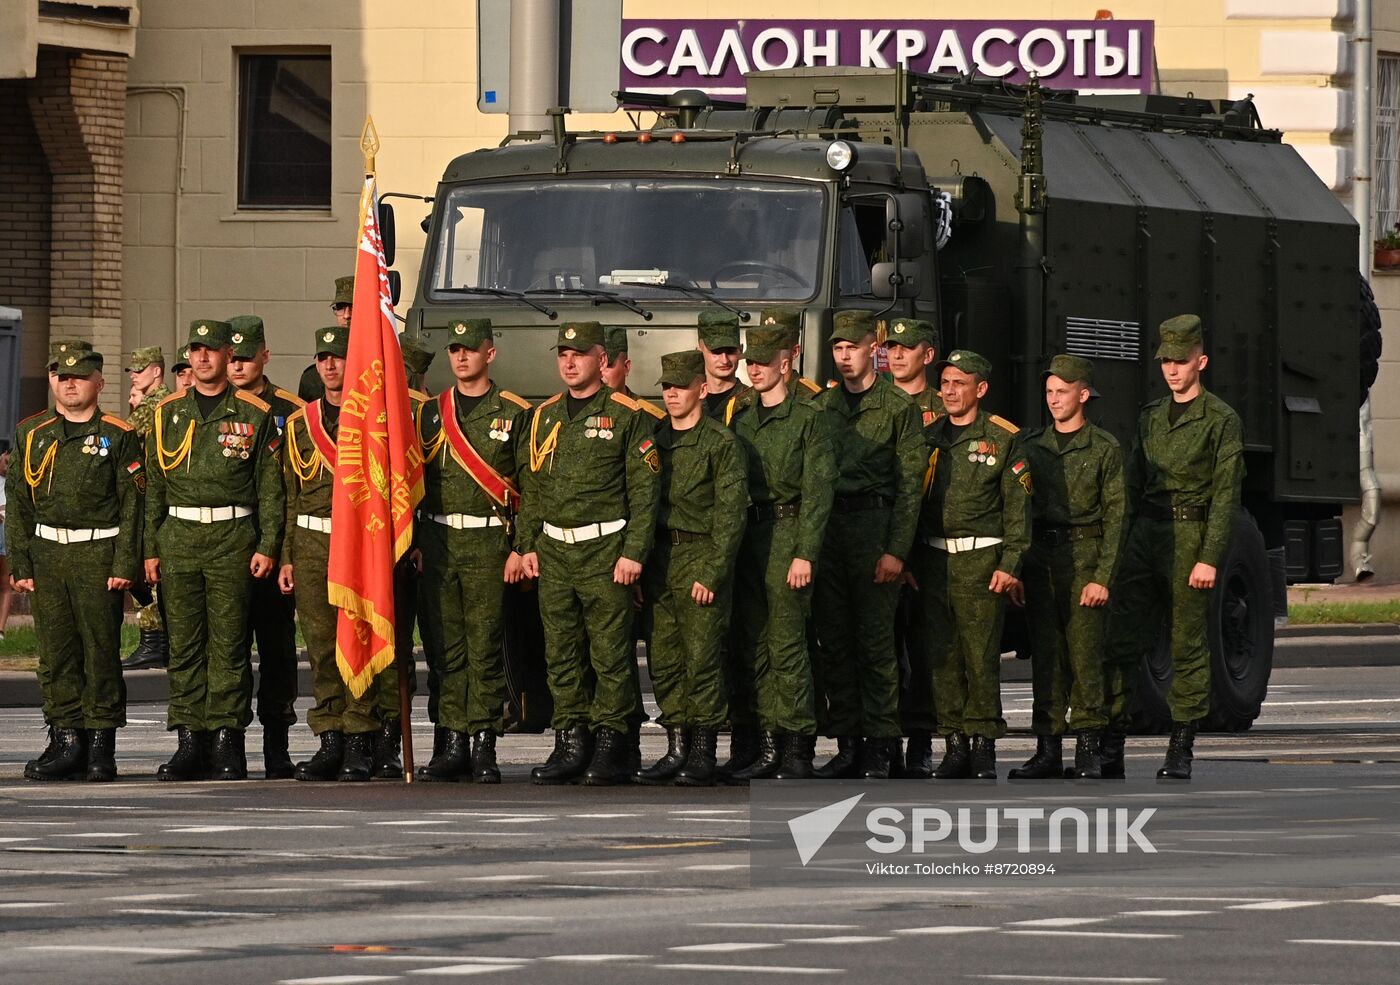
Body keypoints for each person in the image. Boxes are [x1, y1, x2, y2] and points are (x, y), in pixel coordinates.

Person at [514, 321, 659, 786]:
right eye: (563, 354)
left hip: (605, 550)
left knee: (610, 654)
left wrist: (634, 552)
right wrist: (526, 544)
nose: (570, 362)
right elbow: (532, 487)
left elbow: (644, 491)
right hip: (554, 550)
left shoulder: (627, 414)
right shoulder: (544, 415)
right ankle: (571, 742)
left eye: (580, 354)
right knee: (561, 652)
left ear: (602, 360)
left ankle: (614, 745)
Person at [1102, 315, 1244, 780]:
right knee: (1122, 640)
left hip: (1190, 534)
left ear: (1200, 362)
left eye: (1180, 362)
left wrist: (1208, 556)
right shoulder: (1149, 418)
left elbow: (1225, 495)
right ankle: (1111, 742)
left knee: (1188, 644)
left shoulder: (1221, 420)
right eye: (1166, 361)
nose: (1172, 370)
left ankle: (1181, 745)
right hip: (1147, 534)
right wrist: (1119, 553)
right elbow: (1132, 487)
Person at [144, 319, 285, 781]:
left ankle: (227, 740)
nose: (203, 359)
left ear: (229, 356)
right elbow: (154, 490)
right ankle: (190, 739)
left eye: (211, 351)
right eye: (195, 351)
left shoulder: (254, 413)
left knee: (228, 647)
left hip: (233, 538)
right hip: (179, 538)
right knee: (184, 647)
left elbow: (270, 489)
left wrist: (267, 544)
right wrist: (150, 548)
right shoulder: (167, 413)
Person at [5, 349, 143, 781]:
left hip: (98, 554)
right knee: (56, 652)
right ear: (52, 381)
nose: (70, 384)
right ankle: (65, 739)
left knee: (100, 650)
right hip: (48, 553)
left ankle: (101, 744)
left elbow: (131, 505)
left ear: (99, 384)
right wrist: (22, 561)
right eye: (62, 376)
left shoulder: (118, 435)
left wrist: (125, 563)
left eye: (80, 377)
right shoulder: (32, 433)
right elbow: (21, 505)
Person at [414, 318, 531, 782]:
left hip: (488, 542)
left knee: (484, 649)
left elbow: (530, 486)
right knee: (444, 648)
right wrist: (417, 543)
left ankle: (484, 743)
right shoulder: (430, 412)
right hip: (438, 543)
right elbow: (413, 485)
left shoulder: (513, 411)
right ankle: (450, 742)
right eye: (455, 350)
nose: (461, 357)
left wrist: (520, 547)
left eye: (470, 349)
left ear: (490, 354)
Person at [811, 310, 926, 780]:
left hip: (875, 527)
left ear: (872, 352)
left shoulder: (899, 409)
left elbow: (910, 486)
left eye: (851, 348)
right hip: (832, 532)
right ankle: (848, 742)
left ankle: (882, 744)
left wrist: (896, 551)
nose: (843, 357)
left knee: (877, 646)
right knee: (835, 643)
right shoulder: (824, 408)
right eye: (837, 349)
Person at [726, 325, 836, 782]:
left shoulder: (809, 418)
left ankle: (797, 747)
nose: (753, 369)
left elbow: (818, 491)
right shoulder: (743, 418)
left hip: (790, 534)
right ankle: (769, 744)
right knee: (756, 646)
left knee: (788, 646)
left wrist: (805, 553)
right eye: (749, 362)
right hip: (752, 538)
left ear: (785, 365)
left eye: (763, 362)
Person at [914, 349, 1031, 780]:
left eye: (958, 383)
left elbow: (1018, 509)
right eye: (944, 382)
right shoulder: (928, 438)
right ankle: (954, 744)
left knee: (980, 658)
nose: (948, 390)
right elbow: (913, 503)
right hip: (933, 559)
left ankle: (983, 745)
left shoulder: (1002, 438)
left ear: (980, 389)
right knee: (941, 658)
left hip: (982, 560)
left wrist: (1011, 563)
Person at [635, 350, 748, 786]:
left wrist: (714, 573)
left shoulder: (721, 444)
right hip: (662, 559)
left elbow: (730, 516)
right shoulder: (653, 441)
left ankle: (702, 751)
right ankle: (676, 746)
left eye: (681, 387)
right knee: (663, 659)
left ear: (702, 389)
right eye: (666, 387)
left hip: (702, 556)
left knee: (702, 660)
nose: (672, 395)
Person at [1010, 355, 1125, 781]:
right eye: (1050, 392)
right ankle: (1048, 748)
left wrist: (1102, 577)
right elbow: (1019, 512)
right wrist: (1019, 567)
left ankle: (1090, 748)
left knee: (1086, 657)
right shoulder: (1033, 447)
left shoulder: (1104, 448)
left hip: (1086, 557)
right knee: (1047, 657)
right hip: (1042, 559)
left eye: (1062, 391)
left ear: (1083, 394)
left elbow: (1117, 518)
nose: (1054, 399)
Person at [279, 324, 378, 781]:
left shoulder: (374, 419)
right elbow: (289, 495)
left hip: (360, 540)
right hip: (312, 541)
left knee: (359, 639)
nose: (331, 365)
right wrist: (287, 556)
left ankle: (360, 739)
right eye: (323, 358)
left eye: (338, 357)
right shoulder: (302, 422)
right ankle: (330, 738)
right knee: (320, 647)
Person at [227, 314, 305, 779]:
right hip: (226, 548)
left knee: (277, 653)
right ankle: (227, 746)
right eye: (231, 357)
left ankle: (277, 743)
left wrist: (287, 552)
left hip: (275, 550)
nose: (238, 366)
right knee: (229, 651)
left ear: (265, 356)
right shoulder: (214, 409)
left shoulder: (291, 410)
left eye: (246, 357)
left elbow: (298, 487)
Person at [881, 316, 944, 776]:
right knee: (881, 647)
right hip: (876, 540)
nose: (897, 355)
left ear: (928, 355)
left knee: (922, 649)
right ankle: (883, 741)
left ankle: (920, 741)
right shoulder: (872, 402)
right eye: (892, 348)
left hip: (923, 544)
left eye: (907, 348)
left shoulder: (944, 407)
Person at [122, 346, 173, 670]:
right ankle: (155, 641)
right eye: (132, 371)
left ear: (156, 372)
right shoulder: (160, 404)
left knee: (146, 571)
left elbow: (125, 437)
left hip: (148, 497)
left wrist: (135, 409)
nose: (135, 376)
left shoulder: (154, 405)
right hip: (151, 497)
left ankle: (154, 641)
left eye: (140, 370)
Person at [298, 276, 354, 402]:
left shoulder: (383, 367)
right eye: (340, 307)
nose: (346, 315)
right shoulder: (313, 378)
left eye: (353, 306)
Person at [602, 326, 666, 423]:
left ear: (626, 367)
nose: (599, 373)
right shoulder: (575, 409)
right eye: (594, 366)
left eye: (607, 366)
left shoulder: (648, 417)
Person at [697, 311, 748, 422]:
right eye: (716, 352)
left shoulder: (752, 402)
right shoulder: (687, 402)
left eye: (730, 351)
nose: (724, 360)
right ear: (699, 351)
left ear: (740, 350)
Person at [0, 444, 12, 644]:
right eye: (6, 462)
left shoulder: (13, 482)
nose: (7, 467)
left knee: (5, 583)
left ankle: (0, 630)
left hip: (4, 532)